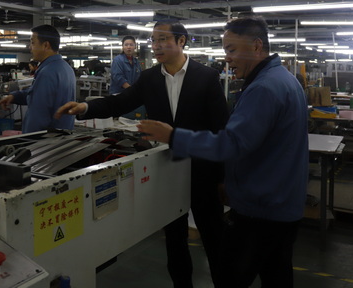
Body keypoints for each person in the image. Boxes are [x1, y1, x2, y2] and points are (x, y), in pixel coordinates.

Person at [137, 16, 309, 288]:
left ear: (256, 46)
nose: (226, 58)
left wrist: (173, 136)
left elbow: (231, 143)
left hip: (260, 209)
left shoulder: (263, 88)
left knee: (229, 277)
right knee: (277, 278)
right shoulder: (285, 80)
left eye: (231, 49)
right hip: (283, 204)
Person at [55, 21, 229, 288]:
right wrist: (85, 107)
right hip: (169, 170)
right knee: (175, 242)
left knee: (215, 240)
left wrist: (223, 178)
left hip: (203, 172)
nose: (156, 46)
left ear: (181, 41)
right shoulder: (149, 78)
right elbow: (119, 102)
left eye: (163, 39)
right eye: (153, 40)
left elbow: (221, 129)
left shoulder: (206, 77)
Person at [0, 25, 76, 133]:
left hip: (45, 139)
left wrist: (28, 138)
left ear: (46, 45)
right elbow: (37, 95)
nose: (30, 47)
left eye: (33, 43)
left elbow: (38, 115)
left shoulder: (47, 72)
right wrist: (15, 96)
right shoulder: (66, 68)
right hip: (62, 135)